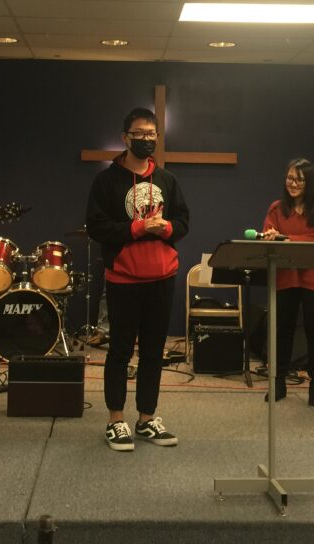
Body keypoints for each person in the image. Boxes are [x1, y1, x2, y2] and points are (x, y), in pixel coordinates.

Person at [86, 107, 189, 451]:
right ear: (125, 137)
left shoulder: (167, 180)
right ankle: (116, 420)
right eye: (139, 134)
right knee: (119, 350)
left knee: (153, 352)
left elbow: (184, 220)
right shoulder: (106, 181)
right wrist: (137, 228)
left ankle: (146, 419)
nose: (146, 139)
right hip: (124, 279)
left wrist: (167, 228)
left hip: (162, 276)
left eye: (151, 134)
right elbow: (97, 227)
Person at [260, 159, 314, 407]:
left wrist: (287, 238)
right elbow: (269, 235)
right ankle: (278, 382)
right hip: (286, 276)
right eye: (290, 178)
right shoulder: (276, 208)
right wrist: (275, 237)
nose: (293, 184)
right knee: (282, 331)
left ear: (309, 182)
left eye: (299, 180)